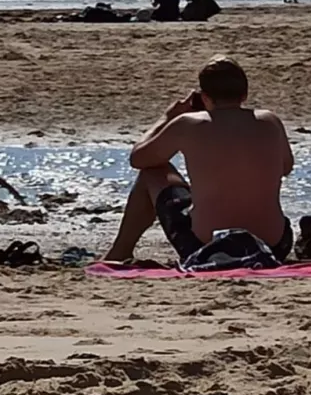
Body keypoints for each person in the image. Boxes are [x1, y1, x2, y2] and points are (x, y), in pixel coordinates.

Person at [101, 57, 294, 265]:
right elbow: (285, 167)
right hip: (274, 245)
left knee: (153, 172)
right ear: (244, 94)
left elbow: (138, 158)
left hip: (207, 246)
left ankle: (120, 251)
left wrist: (167, 117)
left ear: (204, 97)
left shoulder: (188, 124)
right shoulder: (270, 121)